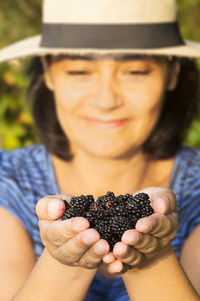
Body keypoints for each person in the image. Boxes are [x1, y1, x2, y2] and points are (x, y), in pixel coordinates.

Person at [0, 0, 200, 300]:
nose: (106, 100)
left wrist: (152, 258)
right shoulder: (8, 182)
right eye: (80, 71)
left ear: (171, 74)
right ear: (49, 73)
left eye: (135, 71)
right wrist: (64, 260)